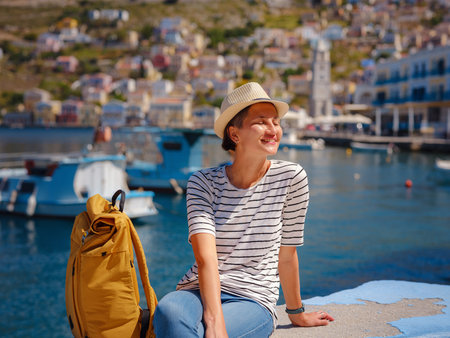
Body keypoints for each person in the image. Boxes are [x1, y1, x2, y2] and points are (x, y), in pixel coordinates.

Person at [153, 82, 334, 337]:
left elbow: (287, 254)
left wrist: (296, 313)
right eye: (261, 121)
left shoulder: (292, 178)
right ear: (234, 134)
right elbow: (206, 259)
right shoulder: (202, 182)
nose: (273, 129)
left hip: (253, 299)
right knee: (168, 313)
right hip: (197, 291)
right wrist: (215, 323)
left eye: (276, 121)